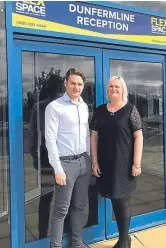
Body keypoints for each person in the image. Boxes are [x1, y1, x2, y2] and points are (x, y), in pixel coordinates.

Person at [90, 76, 143, 248]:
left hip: (125, 164)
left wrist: (136, 163)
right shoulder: (99, 111)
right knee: (114, 199)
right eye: (111, 86)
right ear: (107, 90)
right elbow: (93, 137)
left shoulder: (130, 110)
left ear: (123, 90)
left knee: (123, 200)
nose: (114, 89)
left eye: (117, 87)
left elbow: (138, 137)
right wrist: (95, 162)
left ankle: (123, 240)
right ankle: (125, 238)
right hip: (105, 163)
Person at [45, 68, 92, 248]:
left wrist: (90, 159)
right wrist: (58, 169)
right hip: (65, 165)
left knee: (79, 206)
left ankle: (77, 243)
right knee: (61, 210)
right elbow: (50, 140)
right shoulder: (55, 107)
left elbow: (87, 136)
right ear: (65, 83)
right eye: (72, 83)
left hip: (83, 162)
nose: (76, 87)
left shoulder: (84, 106)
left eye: (80, 84)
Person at [29, 74, 64, 239]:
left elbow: (33, 134)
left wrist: (34, 156)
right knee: (64, 198)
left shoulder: (39, 106)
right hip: (62, 156)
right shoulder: (64, 104)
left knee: (46, 197)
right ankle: (63, 232)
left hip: (46, 156)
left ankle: (43, 234)